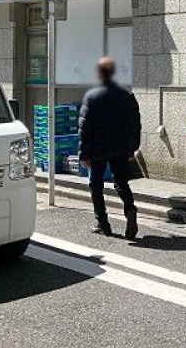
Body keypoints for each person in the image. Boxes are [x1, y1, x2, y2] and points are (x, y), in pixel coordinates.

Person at [78, 57, 141, 239]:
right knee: (121, 182)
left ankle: (103, 223)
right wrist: (132, 148)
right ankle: (130, 210)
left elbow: (85, 128)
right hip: (121, 147)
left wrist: (84, 154)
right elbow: (135, 124)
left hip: (97, 148)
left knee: (96, 185)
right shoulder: (126, 95)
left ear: (99, 74)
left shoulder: (92, 96)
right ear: (113, 73)